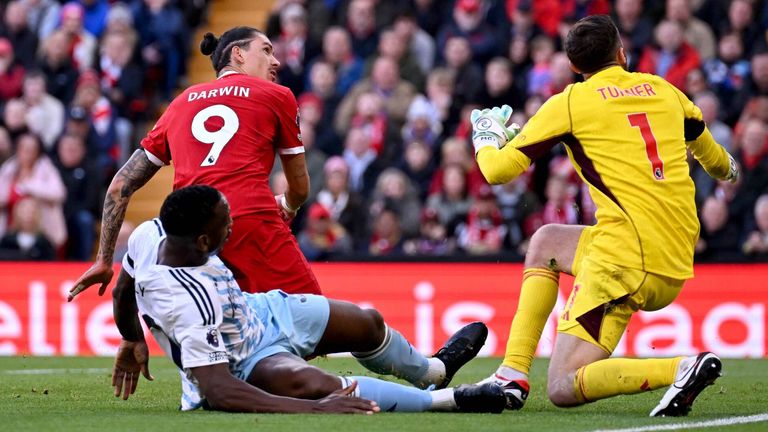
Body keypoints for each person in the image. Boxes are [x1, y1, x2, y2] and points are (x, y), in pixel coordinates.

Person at [469, 15, 737, 416]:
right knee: (546, 242)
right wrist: (730, 169)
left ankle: (680, 368)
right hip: (677, 254)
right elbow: (715, 161)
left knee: (561, 386)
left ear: (575, 67)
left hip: (626, 258)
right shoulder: (664, 90)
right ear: (621, 52)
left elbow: (496, 171)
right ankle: (512, 373)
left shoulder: (571, 102)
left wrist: (486, 137)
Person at [111, 184, 506, 414]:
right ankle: (446, 399)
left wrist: (131, 338)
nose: (231, 226)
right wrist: (315, 410)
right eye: (224, 223)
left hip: (259, 310)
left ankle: (433, 370)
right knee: (318, 385)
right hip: (244, 364)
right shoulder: (188, 305)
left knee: (367, 322)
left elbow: (123, 289)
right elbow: (219, 389)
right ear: (201, 241)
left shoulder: (151, 234)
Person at [69, 26, 322, 300]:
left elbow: (120, 185)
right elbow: (299, 187)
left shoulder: (179, 104)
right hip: (252, 224)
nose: (276, 61)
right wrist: (288, 204)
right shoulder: (277, 95)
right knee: (317, 325)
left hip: (188, 239)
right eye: (266, 50)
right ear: (237, 54)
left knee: (222, 334)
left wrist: (104, 260)